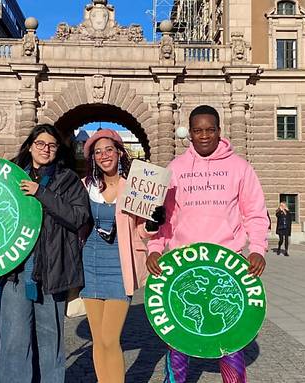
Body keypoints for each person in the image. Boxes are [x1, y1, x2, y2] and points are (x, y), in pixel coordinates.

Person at [146, 105, 269, 383]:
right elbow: (163, 218)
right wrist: (155, 248)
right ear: (189, 133)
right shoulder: (175, 169)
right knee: (177, 341)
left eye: (209, 130)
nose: (204, 136)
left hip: (226, 267)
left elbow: (255, 214)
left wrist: (258, 249)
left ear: (219, 131)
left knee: (230, 342)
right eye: (198, 130)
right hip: (183, 268)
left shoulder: (240, 168)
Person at [0, 124, 90, 383]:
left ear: (59, 150)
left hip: (53, 274)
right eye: (41, 144)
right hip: (16, 273)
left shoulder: (69, 180)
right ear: (30, 146)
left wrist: (41, 193)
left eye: (52, 145)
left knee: (50, 344)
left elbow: (78, 217)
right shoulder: (11, 175)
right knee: (13, 342)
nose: (46, 149)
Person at [80, 129, 163, 383]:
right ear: (93, 158)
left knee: (110, 338)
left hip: (119, 266)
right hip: (90, 264)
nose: (104, 155)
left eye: (108, 149)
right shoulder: (86, 185)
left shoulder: (135, 186)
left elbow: (141, 229)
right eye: (97, 152)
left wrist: (152, 224)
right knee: (98, 339)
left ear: (119, 152)